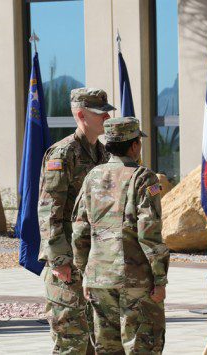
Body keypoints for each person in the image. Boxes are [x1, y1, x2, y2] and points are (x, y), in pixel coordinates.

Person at [72, 117, 169, 354]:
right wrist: (160, 278)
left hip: (99, 278)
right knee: (142, 346)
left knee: (107, 348)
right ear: (134, 145)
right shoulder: (143, 177)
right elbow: (149, 233)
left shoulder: (92, 177)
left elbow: (80, 229)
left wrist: (85, 272)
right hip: (135, 280)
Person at [38, 88, 114, 354]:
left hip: (95, 260)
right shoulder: (62, 154)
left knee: (96, 340)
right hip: (68, 262)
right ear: (81, 114)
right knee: (71, 341)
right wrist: (58, 259)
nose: (106, 117)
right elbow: (49, 210)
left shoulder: (104, 154)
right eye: (100, 113)